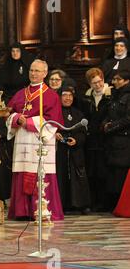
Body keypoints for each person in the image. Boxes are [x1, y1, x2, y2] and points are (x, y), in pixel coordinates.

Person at [6, 59, 64, 221]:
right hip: (22, 139)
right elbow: (9, 113)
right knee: (22, 172)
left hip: (40, 140)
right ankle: (22, 211)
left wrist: (29, 122)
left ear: (45, 74)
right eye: (31, 70)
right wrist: (17, 118)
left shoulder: (51, 95)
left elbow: (53, 121)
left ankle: (43, 211)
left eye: (37, 71)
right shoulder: (20, 93)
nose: (33, 73)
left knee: (41, 173)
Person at [79, 68, 112, 211]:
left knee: (105, 172)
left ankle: (105, 203)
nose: (98, 85)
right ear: (89, 84)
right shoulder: (86, 98)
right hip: (91, 140)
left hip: (106, 139)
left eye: (100, 81)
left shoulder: (110, 95)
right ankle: (94, 202)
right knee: (92, 172)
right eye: (94, 83)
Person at [55, 86, 91, 214]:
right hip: (59, 151)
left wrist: (77, 140)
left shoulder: (78, 113)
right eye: (65, 95)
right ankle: (62, 204)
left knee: (79, 176)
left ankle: (81, 204)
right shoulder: (54, 112)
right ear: (59, 97)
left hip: (75, 150)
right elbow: (50, 127)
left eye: (70, 95)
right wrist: (55, 134)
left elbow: (83, 132)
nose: (68, 98)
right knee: (61, 175)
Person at [102, 69, 130, 211]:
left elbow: (128, 118)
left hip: (124, 141)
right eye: (114, 79)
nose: (114, 82)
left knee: (121, 174)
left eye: (118, 79)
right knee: (113, 175)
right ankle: (113, 204)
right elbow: (109, 114)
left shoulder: (128, 96)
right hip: (113, 141)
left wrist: (111, 126)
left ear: (127, 81)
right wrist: (105, 124)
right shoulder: (114, 95)